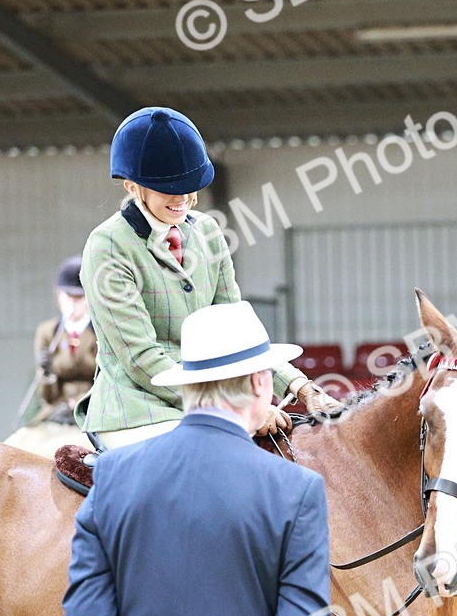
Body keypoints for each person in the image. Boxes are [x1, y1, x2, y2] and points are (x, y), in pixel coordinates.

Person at [63, 300, 331, 616]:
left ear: (187, 386)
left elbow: (86, 613)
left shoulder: (113, 475)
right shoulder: (296, 489)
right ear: (260, 382)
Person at [75, 106, 338, 450]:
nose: (184, 199)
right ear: (133, 187)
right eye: (170, 189)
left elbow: (238, 335)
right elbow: (140, 357)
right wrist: (234, 409)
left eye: (190, 186)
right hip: (138, 407)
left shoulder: (208, 232)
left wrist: (301, 387)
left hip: (211, 401)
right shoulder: (108, 246)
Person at [5, 256, 97, 459]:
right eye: (68, 296)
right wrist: (47, 373)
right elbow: (46, 395)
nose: (73, 303)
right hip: (56, 412)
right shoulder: (48, 332)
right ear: (58, 296)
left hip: (91, 412)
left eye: (79, 297)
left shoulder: (101, 332)